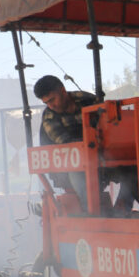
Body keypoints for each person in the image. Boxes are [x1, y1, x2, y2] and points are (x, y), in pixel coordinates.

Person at [33, 75, 97, 207]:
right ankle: (90, 211)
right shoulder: (49, 116)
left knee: (131, 171)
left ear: (62, 91)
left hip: (100, 153)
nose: (51, 106)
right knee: (77, 173)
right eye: (46, 103)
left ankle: (123, 205)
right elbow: (66, 143)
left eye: (52, 100)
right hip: (72, 164)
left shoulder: (89, 100)